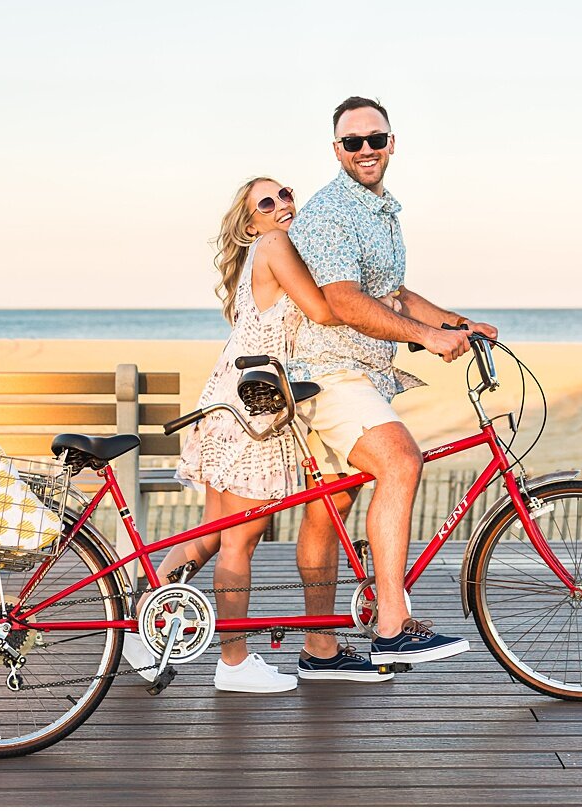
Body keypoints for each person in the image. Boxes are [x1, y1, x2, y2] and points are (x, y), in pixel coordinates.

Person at [124, 177, 399, 693]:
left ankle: (141, 630)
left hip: (234, 397)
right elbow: (322, 309)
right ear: (251, 224)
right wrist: (367, 302)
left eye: (286, 194)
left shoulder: (269, 251)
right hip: (252, 407)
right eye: (266, 203)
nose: (282, 206)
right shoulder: (274, 246)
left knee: (209, 535)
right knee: (240, 539)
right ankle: (233, 662)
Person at [287, 95, 497, 677]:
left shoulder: (380, 209)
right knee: (401, 460)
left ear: (391, 142)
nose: (365, 150)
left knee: (330, 510)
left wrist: (456, 323)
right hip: (328, 371)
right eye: (352, 142)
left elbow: (396, 293)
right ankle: (391, 627)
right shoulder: (332, 212)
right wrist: (426, 338)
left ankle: (320, 651)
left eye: (374, 139)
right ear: (337, 150)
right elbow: (343, 300)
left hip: (358, 372)